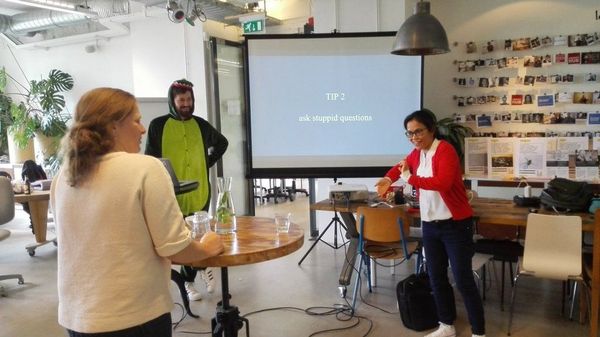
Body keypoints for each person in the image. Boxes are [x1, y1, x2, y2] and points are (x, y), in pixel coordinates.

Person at [50, 87, 224, 337]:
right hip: (133, 318)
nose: (143, 129)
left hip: (78, 318)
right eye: (136, 120)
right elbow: (176, 249)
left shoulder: (63, 176)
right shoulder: (145, 168)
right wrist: (208, 245)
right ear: (112, 126)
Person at [375, 109, 485, 337]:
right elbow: (401, 165)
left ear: (431, 129)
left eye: (419, 132)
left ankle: (479, 332)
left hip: (455, 225)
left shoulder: (445, 150)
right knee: (436, 277)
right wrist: (388, 178)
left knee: (463, 280)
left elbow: (442, 183)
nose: (414, 137)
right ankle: (446, 325)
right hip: (431, 225)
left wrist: (409, 179)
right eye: (409, 134)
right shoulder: (417, 153)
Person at [145, 79, 228, 301]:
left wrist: (206, 162)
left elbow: (222, 143)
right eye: (181, 100)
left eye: (189, 99)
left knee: (201, 235)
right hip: (171, 194)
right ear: (172, 101)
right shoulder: (158, 125)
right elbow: (150, 160)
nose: (186, 104)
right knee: (182, 239)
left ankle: (197, 273)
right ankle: (191, 280)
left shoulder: (201, 125)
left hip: (200, 191)